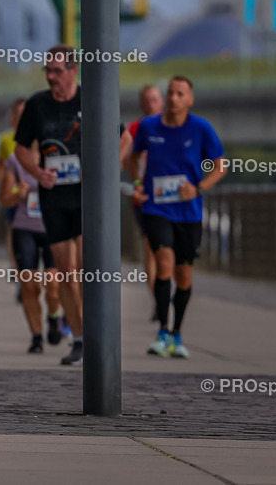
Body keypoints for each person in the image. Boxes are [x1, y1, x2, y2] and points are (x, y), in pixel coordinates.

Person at [13, 46, 131, 365]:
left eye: (56, 71)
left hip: (87, 198)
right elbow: (21, 147)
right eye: (47, 71)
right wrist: (37, 172)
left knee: (86, 269)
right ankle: (79, 338)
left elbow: (125, 140)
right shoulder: (38, 105)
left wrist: (106, 171)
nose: (51, 77)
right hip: (54, 199)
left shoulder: (89, 99)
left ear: (73, 70)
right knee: (66, 271)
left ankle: (97, 334)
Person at [130, 76, 226, 359]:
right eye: (170, 93)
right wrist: (137, 183)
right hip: (157, 209)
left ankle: (176, 334)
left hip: (189, 212)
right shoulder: (149, 127)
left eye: (180, 94)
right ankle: (161, 330)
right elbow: (132, 157)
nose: (173, 98)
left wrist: (198, 188)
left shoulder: (200, 128)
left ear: (189, 100)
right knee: (164, 264)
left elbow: (221, 165)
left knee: (184, 276)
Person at [0, 143, 63, 353]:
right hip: (25, 228)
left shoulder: (59, 155)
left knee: (53, 284)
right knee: (30, 285)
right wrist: (18, 194)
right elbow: (5, 198)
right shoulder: (15, 160)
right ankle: (36, 337)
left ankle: (54, 316)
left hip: (53, 228)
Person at [0, 98, 27, 304]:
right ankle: (18, 272)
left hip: (34, 197)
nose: (20, 117)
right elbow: (0, 166)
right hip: (13, 195)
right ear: (13, 116)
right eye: (17, 113)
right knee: (13, 233)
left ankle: (31, 273)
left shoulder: (37, 137)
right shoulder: (6, 139)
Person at [126, 85, 164, 319]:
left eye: (154, 100)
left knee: (169, 251)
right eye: (146, 100)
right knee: (151, 249)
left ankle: (165, 294)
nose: (151, 104)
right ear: (141, 104)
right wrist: (137, 180)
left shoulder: (173, 125)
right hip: (146, 197)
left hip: (171, 198)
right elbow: (128, 158)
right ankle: (158, 301)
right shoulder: (134, 128)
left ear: (161, 102)